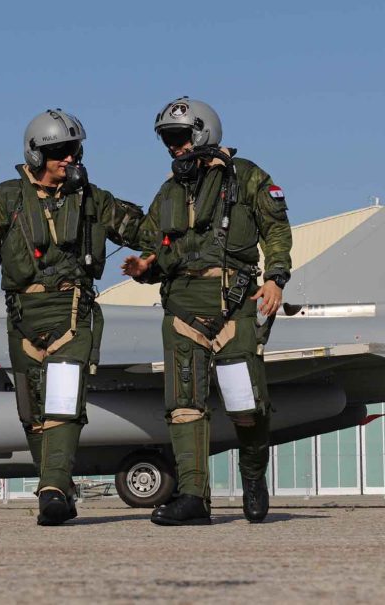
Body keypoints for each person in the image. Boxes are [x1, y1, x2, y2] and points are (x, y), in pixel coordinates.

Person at [0, 109, 144, 526]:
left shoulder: (92, 199)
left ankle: (53, 490)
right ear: (36, 154)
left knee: (62, 400)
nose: (70, 158)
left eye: (74, 149)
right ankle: (58, 486)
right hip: (22, 316)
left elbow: (144, 230)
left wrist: (153, 257)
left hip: (71, 311)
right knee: (32, 412)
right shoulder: (6, 199)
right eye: (60, 151)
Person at [122, 97, 292, 526]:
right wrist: (144, 270)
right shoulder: (169, 192)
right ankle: (194, 497)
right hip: (182, 309)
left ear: (202, 132)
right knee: (184, 407)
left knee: (246, 406)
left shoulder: (247, 176)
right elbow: (158, 250)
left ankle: (252, 477)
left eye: (179, 137)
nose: (173, 147)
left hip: (233, 306)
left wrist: (275, 278)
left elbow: (276, 229)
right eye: (167, 140)